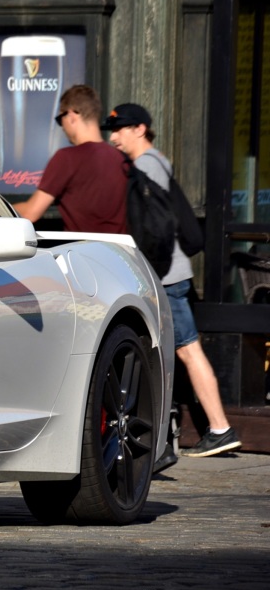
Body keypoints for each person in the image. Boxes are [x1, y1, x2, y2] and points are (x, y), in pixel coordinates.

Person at [104, 103, 242, 460]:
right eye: (112, 129)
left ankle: (219, 428)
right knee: (174, 352)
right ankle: (171, 437)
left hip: (167, 276)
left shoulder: (146, 166)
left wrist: (149, 267)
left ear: (140, 129)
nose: (114, 136)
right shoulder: (156, 162)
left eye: (121, 129)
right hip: (172, 274)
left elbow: (157, 227)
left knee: (185, 350)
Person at [13, 85, 128, 232]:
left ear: (72, 116)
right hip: (121, 253)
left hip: (84, 252)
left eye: (61, 119)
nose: (62, 127)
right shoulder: (121, 159)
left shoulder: (67, 158)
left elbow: (31, 213)